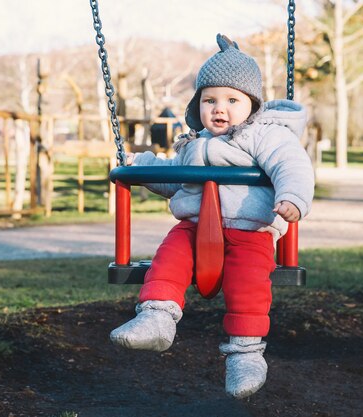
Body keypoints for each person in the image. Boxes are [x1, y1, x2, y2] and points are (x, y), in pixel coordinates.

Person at [110, 34, 314, 399]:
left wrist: (293, 197)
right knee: (169, 256)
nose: (219, 108)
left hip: (249, 230)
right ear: (198, 105)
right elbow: (174, 180)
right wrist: (142, 165)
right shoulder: (195, 142)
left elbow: (292, 164)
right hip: (194, 228)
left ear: (251, 104)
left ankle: (246, 354)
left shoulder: (263, 136)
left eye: (232, 100)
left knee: (248, 283)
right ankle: (156, 318)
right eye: (209, 100)